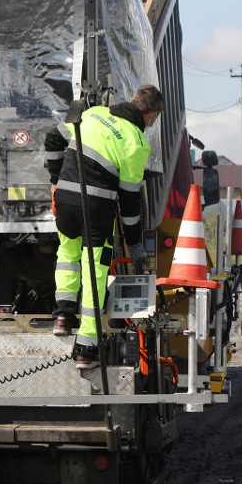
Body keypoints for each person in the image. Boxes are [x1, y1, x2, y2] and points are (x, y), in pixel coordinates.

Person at [44, 85, 164, 369]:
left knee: (67, 255)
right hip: (96, 211)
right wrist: (135, 243)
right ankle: (86, 348)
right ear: (152, 115)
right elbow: (129, 202)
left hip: (65, 201)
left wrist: (56, 178)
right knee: (94, 270)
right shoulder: (136, 143)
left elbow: (52, 139)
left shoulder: (93, 114)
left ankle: (62, 316)